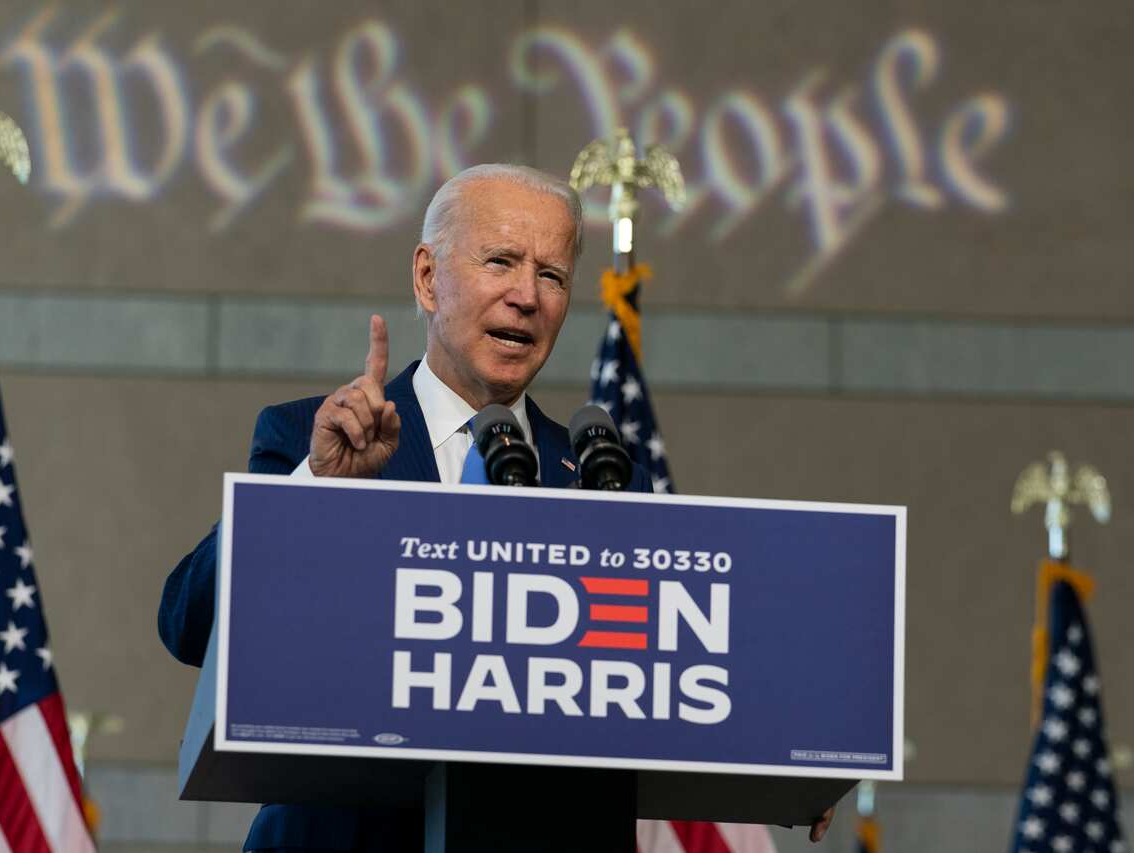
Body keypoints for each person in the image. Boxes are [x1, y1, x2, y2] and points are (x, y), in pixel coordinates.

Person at [158, 164, 832, 851]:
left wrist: (792, 752)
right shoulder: (314, 440)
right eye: (502, 261)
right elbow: (188, 623)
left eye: (552, 276)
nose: (527, 297)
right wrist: (317, 486)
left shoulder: (600, 475)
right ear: (427, 278)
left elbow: (679, 671)